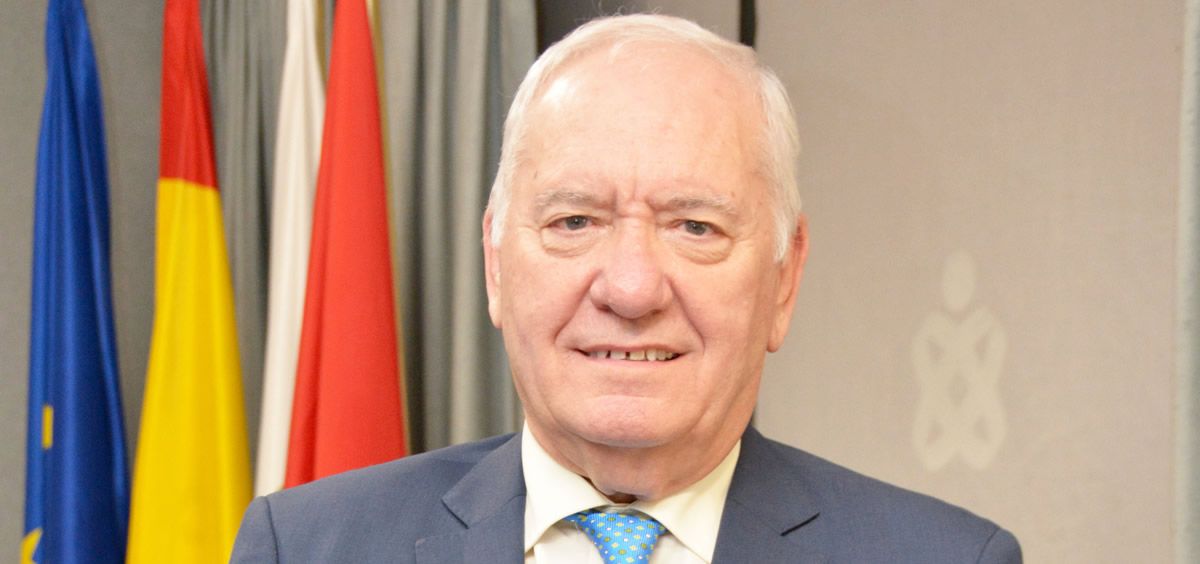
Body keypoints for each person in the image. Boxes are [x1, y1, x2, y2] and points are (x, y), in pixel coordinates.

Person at [231, 14, 1021, 563]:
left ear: (784, 279)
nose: (633, 288)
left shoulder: (947, 559)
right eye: (575, 221)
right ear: (496, 263)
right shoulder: (303, 549)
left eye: (695, 227)